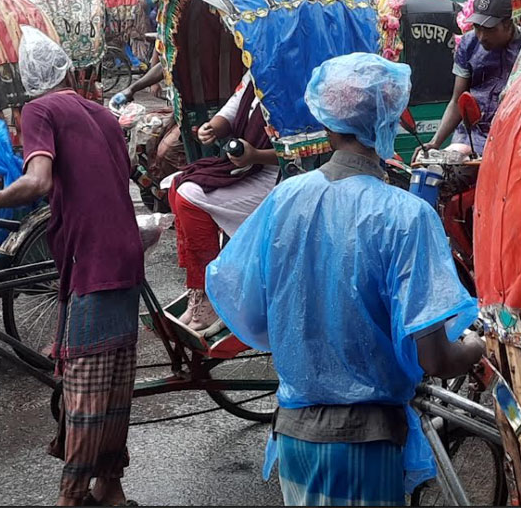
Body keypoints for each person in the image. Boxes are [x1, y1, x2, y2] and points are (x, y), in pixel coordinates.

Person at [207, 53, 485, 506]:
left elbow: (250, 312)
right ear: (390, 121)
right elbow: (433, 356)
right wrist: (476, 348)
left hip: (295, 434)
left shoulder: (286, 198)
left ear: (328, 124)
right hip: (367, 442)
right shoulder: (406, 215)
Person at [0, 26, 143, 507]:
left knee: (86, 386)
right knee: (114, 379)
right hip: (124, 253)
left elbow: (39, 180)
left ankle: (72, 496)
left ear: (27, 82)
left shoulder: (39, 109)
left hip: (92, 258)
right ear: (70, 71)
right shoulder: (102, 114)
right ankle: (110, 485)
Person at [168, 71, 278, 333]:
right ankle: (200, 287)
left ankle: (211, 291)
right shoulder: (255, 71)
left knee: (188, 198)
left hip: (274, 176)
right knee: (177, 187)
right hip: (244, 166)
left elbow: (301, 148)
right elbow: (232, 108)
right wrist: (212, 128)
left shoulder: (294, 79)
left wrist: (256, 156)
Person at [429, 0, 521, 155]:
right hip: (470, 137)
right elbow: (457, 101)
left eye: (489, 29)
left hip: (514, 139)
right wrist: (435, 143)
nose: (482, 36)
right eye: (477, 27)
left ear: (507, 23)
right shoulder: (469, 44)